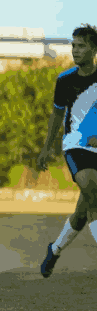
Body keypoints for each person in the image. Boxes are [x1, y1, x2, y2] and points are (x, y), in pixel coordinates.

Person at [38, 25, 97, 278]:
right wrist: (47, 148)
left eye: (81, 45)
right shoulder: (64, 80)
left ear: (94, 49)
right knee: (92, 189)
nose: (75, 50)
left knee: (82, 212)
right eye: (73, 45)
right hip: (75, 146)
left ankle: (56, 249)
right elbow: (57, 115)